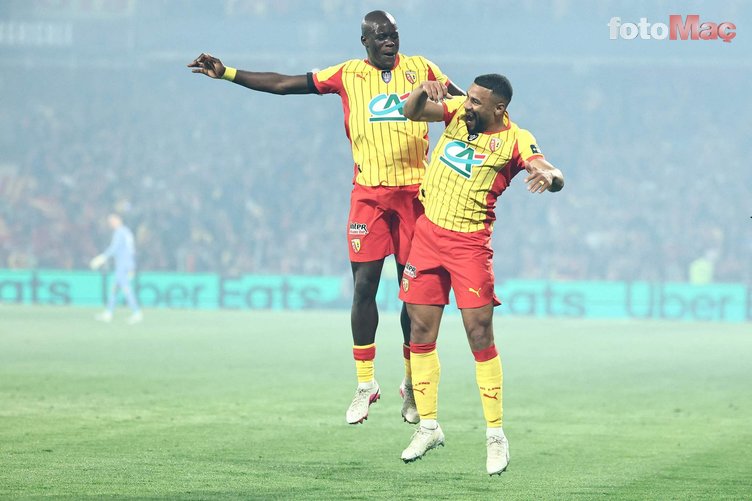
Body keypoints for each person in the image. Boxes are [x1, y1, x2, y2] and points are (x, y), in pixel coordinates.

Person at [188, 11, 464, 425]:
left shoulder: (423, 68)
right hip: (369, 198)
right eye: (381, 36)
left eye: (394, 34)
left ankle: (411, 381)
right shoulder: (347, 74)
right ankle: (366, 384)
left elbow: (470, 106)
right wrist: (227, 72)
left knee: (413, 296)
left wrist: (494, 118)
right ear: (364, 41)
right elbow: (284, 84)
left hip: (415, 197)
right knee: (364, 287)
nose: (390, 41)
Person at [397, 74, 564, 475]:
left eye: (476, 101)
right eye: (468, 98)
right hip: (427, 234)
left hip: (469, 245)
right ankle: (429, 426)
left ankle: (495, 435)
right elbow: (411, 111)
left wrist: (551, 177)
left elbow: (548, 170)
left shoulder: (516, 139)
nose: (467, 104)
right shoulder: (457, 114)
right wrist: (421, 90)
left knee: (479, 334)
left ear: (498, 108)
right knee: (420, 330)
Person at [90, 213, 143, 324]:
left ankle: (137, 313)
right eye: (110, 222)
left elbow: (114, 248)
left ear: (119, 220)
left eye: (112, 220)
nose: (111, 223)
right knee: (114, 289)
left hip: (123, 264)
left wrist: (102, 258)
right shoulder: (126, 231)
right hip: (126, 263)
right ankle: (108, 313)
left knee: (126, 289)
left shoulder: (120, 232)